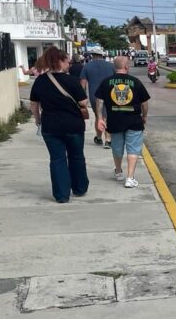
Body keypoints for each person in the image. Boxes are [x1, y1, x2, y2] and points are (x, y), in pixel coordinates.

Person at [29, 46, 90, 204]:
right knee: (76, 156)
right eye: (67, 61)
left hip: (50, 126)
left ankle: (61, 195)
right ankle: (79, 188)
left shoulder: (40, 81)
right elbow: (83, 101)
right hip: (73, 125)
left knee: (57, 159)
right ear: (60, 61)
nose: (69, 63)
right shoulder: (72, 80)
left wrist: (38, 120)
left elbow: (34, 105)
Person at [95, 55, 150, 188]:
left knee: (117, 148)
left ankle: (119, 172)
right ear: (126, 66)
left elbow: (99, 101)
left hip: (115, 120)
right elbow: (145, 103)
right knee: (133, 149)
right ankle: (130, 178)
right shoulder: (135, 81)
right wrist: (144, 116)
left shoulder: (106, 82)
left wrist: (100, 118)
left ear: (115, 67)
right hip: (134, 121)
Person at [81, 51, 114, 147]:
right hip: (110, 95)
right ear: (102, 55)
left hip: (94, 95)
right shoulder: (111, 66)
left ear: (93, 56)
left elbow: (83, 83)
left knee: (98, 116)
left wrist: (82, 97)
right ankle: (108, 139)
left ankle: (99, 137)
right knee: (107, 116)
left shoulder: (87, 66)